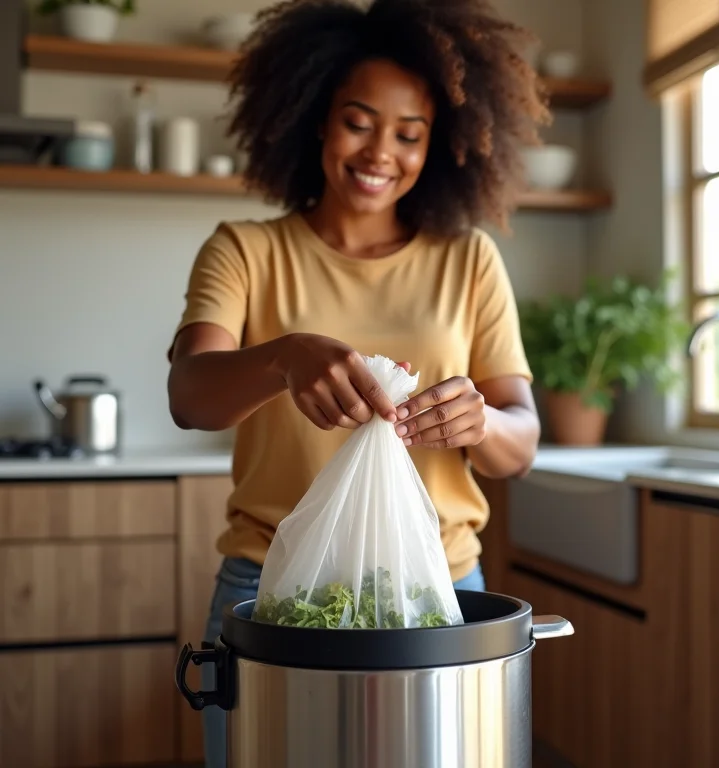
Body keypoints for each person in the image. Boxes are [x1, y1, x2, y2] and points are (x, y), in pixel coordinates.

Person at [167, 0, 547, 765]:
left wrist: (480, 422)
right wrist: (282, 357)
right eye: (359, 121)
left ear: (437, 145)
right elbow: (190, 396)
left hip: (436, 587)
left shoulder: (467, 260)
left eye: (410, 134)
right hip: (273, 587)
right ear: (315, 119)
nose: (381, 152)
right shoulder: (245, 251)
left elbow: (521, 441)